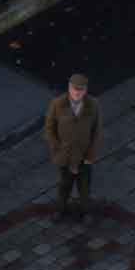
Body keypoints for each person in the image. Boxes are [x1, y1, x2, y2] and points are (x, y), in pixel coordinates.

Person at [43, 73, 104, 218]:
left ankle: (85, 212)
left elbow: (97, 131)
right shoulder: (57, 104)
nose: (77, 93)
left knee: (84, 188)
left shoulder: (93, 105)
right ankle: (60, 210)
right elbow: (49, 129)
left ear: (85, 90)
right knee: (64, 186)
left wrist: (91, 155)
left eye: (81, 89)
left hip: (84, 156)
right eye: (75, 89)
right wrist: (57, 149)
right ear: (69, 88)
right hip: (65, 156)